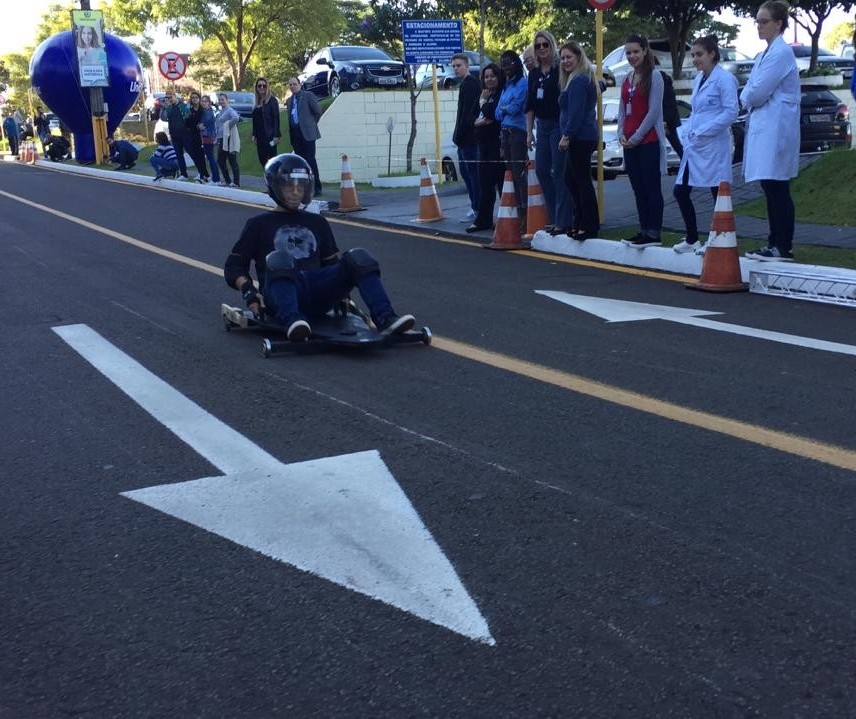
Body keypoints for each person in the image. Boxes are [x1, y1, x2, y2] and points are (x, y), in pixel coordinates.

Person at [223, 153, 416, 342]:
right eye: (289, 185)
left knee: (358, 257)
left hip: (317, 289)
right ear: (275, 187)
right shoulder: (258, 224)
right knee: (280, 259)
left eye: (301, 186)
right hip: (282, 292)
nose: (296, 192)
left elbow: (331, 264)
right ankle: (293, 321)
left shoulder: (317, 222)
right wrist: (250, 292)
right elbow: (234, 266)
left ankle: (386, 317)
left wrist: (345, 297)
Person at [741, 0, 801, 262]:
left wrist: (749, 94)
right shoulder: (765, 54)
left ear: (779, 23)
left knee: (777, 186)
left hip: (777, 130)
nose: (759, 26)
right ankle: (774, 242)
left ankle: (782, 245)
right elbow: (751, 90)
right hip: (767, 128)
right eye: (757, 21)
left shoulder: (780, 53)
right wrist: (749, 94)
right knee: (769, 184)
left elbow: (756, 92)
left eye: (764, 21)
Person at [672, 35, 739, 255]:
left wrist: (704, 130)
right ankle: (692, 238)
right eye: (693, 55)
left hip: (714, 145)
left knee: (717, 193)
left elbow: (731, 112)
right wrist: (687, 131)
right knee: (680, 191)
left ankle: (718, 238)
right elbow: (697, 112)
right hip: (695, 145)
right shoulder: (698, 80)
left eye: (699, 54)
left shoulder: (724, 79)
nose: (695, 59)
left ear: (712, 54)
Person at [617, 34, 667, 248]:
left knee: (651, 187)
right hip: (629, 143)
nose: (632, 56)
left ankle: (654, 232)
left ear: (645, 51)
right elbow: (621, 110)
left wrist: (636, 137)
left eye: (636, 51)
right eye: (628, 53)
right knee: (638, 188)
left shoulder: (654, 76)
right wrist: (621, 133)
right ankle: (644, 228)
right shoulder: (627, 78)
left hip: (647, 141)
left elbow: (654, 111)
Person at [526, 30, 571, 233]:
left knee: (559, 172)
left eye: (545, 45)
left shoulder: (560, 68)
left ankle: (563, 220)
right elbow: (530, 105)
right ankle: (554, 217)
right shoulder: (534, 74)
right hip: (541, 126)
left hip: (558, 124)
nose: (542, 48)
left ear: (552, 46)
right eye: (538, 46)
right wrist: (529, 132)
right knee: (542, 170)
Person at [557, 41, 600, 240]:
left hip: (580, 137)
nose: (565, 61)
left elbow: (576, 113)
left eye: (569, 57)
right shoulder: (574, 79)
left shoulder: (580, 80)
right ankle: (579, 221)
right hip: (580, 136)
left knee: (581, 181)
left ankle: (588, 225)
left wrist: (567, 136)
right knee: (571, 179)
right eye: (563, 58)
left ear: (578, 57)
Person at [468, 62, 506, 233]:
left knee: (501, 183)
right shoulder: (483, 95)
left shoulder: (499, 95)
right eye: (486, 77)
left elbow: (492, 114)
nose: (489, 79)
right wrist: (480, 120)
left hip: (497, 145)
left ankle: (506, 218)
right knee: (484, 184)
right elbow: (472, 117)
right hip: (483, 146)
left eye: (492, 76)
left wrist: (484, 106)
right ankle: (483, 219)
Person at [495, 51, 529, 230]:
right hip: (505, 132)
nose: (506, 67)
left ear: (517, 63)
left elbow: (516, 108)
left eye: (509, 63)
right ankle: (516, 211)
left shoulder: (523, 83)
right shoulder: (506, 86)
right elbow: (497, 113)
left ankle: (525, 213)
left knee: (519, 174)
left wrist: (505, 108)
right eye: (503, 63)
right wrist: (505, 108)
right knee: (509, 173)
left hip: (517, 132)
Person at [451, 53, 481, 221]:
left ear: (467, 66)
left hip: (469, 139)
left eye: (459, 65)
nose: (456, 69)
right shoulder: (464, 85)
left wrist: (461, 133)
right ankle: (474, 206)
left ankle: (476, 208)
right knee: (467, 173)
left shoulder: (470, 85)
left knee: (473, 175)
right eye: (454, 66)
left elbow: (468, 114)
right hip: (463, 139)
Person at [285, 77, 323, 196]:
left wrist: (310, 125)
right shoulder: (290, 100)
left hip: (307, 133)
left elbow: (317, 112)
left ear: (300, 84)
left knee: (310, 160)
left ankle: (317, 187)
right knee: (300, 163)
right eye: (290, 85)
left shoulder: (308, 96)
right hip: (295, 134)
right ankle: (305, 188)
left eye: (294, 84)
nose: (292, 86)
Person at [653, 56, 683, 158]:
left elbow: (669, 102)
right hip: (664, 119)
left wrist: (665, 120)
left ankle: (687, 168)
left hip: (666, 121)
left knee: (677, 146)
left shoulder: (661, 78)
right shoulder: (660, 77)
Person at [159, 90, 190, 179]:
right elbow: (164, 118)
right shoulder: (169, 108)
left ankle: (202, 173)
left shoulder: (182, 105)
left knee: (191, 153)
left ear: (174, 96)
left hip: (184, 134)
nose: (169, 99)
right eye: (167, 98)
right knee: (179, 155)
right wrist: (164, 108)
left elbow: (188, 115)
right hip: (174, 135)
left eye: (170, 97)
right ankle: (183, 173)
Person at [251, 77, 281, 169]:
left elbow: (276, 118)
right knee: (262, 159)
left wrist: (276, 135)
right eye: (259, 86)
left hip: (270, 136)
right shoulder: (256, 102)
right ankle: (270, 179)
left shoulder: (272, 100)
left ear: (267, 87)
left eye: (264, 86)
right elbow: (255, 120)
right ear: (256, 87)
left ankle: (275, 181)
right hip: (260, 137)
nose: (262, 88)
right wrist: (254, 134)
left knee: (272, 160)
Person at [215, 92, 241, 187]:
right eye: (219, 100)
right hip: (222, 139)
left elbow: (236, 118)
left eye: (222, 99)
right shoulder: (221, 111)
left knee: (232, 160)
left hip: (228, 139)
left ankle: (236, 182)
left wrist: (228, 127)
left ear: (227, 100)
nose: (221, 101)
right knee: (221, 160)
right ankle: (227, 180)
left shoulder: (229, 110)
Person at [185, 91, 209, 182]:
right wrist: (187, 117)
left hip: (201, 136)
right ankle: (203, 174)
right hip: (192, 135)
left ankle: (203, 174)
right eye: (193, 98)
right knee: (195, 156)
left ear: (199, 99)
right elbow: (187, 124)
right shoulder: (189, 110)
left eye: (196, 97)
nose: (194, 99)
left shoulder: (202, 110)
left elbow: (204, 122)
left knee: (201, 156)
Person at [198, 95, 220, 184]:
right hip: (205, 136)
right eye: (202, 101)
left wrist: (200, 125)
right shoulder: (204, 111)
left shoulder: (209, 112)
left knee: (211, 158)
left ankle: (216, 179)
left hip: (209, 136)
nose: (203, 103)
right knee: (209, 157)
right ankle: (214, 176)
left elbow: (205, 124)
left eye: (205, 101)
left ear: (209, 102)